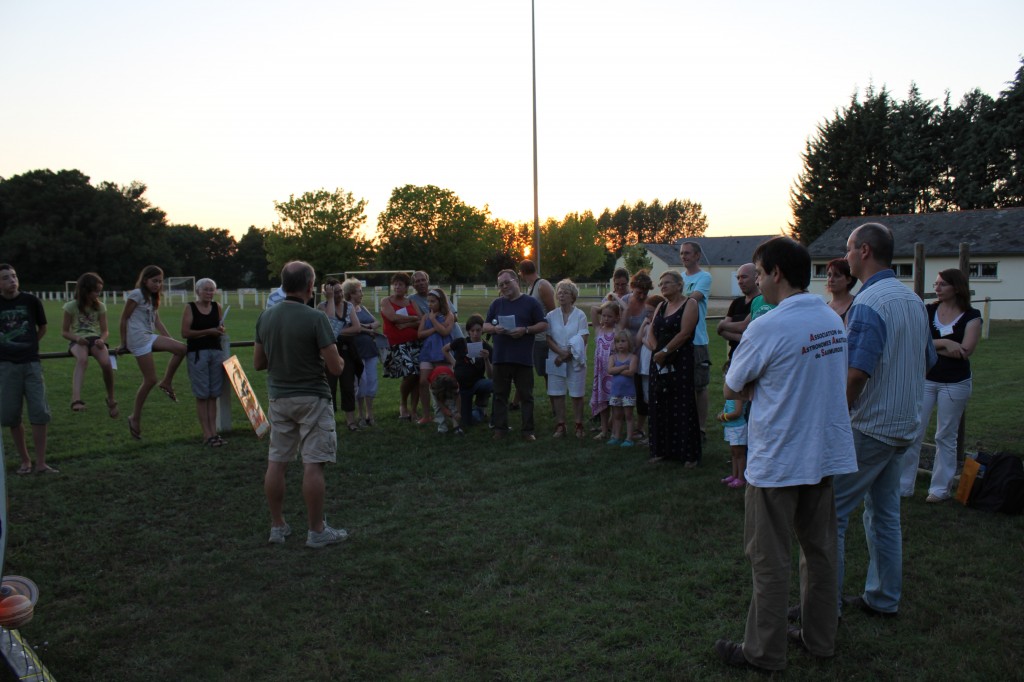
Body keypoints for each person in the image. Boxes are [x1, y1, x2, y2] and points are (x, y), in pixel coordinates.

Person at [714, 236, 857, 673]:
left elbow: (731, 385)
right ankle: (820, 639)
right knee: (820, 553)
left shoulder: (769, 325)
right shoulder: (831, 318)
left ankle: (763, 652)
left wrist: (759, 385)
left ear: (776, 273)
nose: (755, 280)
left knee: (768, 557)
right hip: (824, 452)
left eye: (758, 273)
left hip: (779, 457)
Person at [833, 222, 935, 618]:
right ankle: (883, 597)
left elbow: (857, 372)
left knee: (831, 516)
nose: (845, 256)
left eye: (849, 248)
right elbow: (927, 360)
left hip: (871, 426)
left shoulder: (869, 304)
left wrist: (838, 418)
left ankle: (825, 609)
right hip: (905, 424)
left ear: (864, 251)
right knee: (884, 514)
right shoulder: (912, 301)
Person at [254, 261, 348, 549]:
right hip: (313, 399)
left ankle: (277, 526)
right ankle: (317, 531)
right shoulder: (315, 318)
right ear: (310, 285)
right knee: (313, 464)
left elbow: (259, 363)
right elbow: (336, 368)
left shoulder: (265, 317)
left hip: (279, 398)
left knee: (277, 462)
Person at [899, 269, 981, 502]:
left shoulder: (971, 316)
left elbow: (965, 351)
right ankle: (904, 485)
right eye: (936, 284)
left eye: (942, 284)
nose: (937, 288)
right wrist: (945, 342)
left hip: (955, 383)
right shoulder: (929, 311)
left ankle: (940, 489)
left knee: (945, 435)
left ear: (956, 287)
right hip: (926, 379)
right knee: (915, 431)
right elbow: (917, 341)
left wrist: (933, 345)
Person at [118, 265, 187, 441]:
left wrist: (169, 339)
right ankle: (135, 417)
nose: (157, 284)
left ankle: (167, 382)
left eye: (160, 281)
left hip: (148, 336)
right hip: (138, 338)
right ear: (145, 280)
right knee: (149, 380)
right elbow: (124, 318)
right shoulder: (136, 294)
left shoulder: (153, 297)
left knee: (181, 349)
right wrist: (123, 343)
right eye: (154, 281)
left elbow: (156, 320)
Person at [0, 263, 57, 474]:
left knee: (39, 412)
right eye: (5, 277)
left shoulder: (31, 301)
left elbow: (42, 327)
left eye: (14, 276)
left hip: (32, 364)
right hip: (6, 367)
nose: (11, 280)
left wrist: (30, 345)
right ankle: (25, 461)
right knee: (11, 415)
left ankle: (41, 463)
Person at [482, 269, 548, 441]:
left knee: (526, 396)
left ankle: (528, 431)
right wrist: (495, 329)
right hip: (501, 357)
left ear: (516, 281)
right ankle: (500, 428)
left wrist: (525, 330)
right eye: (501, 285)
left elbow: (543, 324)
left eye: (507, 283)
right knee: (500, 395)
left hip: (523, 358)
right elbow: (485, 326)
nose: (504, 287)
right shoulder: (497, 304)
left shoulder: (531, 302)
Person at [644, 271, 701, 465]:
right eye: (661, 284)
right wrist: (655, 350)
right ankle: (662, 450)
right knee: (659, 403)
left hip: (680, 361)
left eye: (667, 283)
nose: (663, 286)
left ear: (679, 285)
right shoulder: (661, 305)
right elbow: (651, 331)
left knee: (682, 404)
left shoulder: (690, 304)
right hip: (659, 362)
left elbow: (685, 333)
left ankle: (688, 455)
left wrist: (665, 351)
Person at [61, 271, 118, 418]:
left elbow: (105, 331)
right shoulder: (70, 306)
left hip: (95, 339)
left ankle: (111, 398)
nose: (98, 294)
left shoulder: (100, 307)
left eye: (100, 291)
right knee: (82, 360)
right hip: (77, 339)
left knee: (106, 363)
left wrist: (102, 340)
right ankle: (76, 399)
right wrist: (76, 338)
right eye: (96, 291)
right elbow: (64, 332)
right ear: (85, 290)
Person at [180, 278, 227, 447]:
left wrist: (220, 330)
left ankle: (214, 432)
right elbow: (185, 333)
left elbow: (221, 328)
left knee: (213, 394)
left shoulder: (217, 307)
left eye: (212, 290)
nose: (209, 293)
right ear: (198, 291)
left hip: (215, 353)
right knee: (202, 395)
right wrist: (209, 331)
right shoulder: (190, 307)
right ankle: (206, 435)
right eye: (206, 289)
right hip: (198, 354)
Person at [544, 280, 589, 439]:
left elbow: (583, 337)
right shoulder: (551, 315)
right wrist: (560, 353)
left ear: (573, 296)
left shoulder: (580, 315)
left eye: (565, 293)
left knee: (577, 394)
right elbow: (548, 338)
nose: (561, 295)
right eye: (559, 292)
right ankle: (561, 425)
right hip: (555, 358)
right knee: (557, 393)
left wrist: (566, 354)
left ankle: (578, 424)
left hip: (575, 359)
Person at [318, 278, 361, 431]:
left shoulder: (348, 306)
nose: (339, 295)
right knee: (329, 386)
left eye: (340, 291)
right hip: (329, 352)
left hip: (346, 351)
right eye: (335, 292)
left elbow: (356, 328)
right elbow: (327, 323)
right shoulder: (322, 307)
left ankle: (351, 421)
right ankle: (329, 421)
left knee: (348, 385)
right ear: (327, 293)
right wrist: (329, 300)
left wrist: (337, 332)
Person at [680, 241, 712, 439]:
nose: (684, 256)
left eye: (688, 253)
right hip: (679, 339)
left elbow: (694, 298)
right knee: (682, 386)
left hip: (697, 339)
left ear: (698, 255)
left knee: (699, 386)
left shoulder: (704, 277)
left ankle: (700, 428)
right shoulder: (679, 277)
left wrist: (674, 297)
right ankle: (685, 425)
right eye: (682, 253)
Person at [379, 272, 422, 420]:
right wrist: (412, 319)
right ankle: (403, 403)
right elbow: (392, 317)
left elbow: (420, 321)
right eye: (395, 284)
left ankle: (414, 410)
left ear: (406, 287)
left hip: (415, 343)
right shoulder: (386, 301)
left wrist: (407, 323)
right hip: (397, 345)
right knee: (410, 373)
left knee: (418, 375)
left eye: (401, 284)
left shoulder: (411, 302)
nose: (397, 287)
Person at [619, 271, 654, 440]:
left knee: (641, 391)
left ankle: (640, 427)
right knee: (622, 387)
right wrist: (625, 311)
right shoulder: (624, 301)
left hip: (642, 352)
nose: (641, 296)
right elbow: (621, 327)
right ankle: (618, 423)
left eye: (645, 293)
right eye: (638, 292)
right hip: (624, 351)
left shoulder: (649, 305)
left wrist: (636, 348)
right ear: (632, 288)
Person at [343, 278, 381, 428]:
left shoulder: (363, 308)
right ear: (351, 293)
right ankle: (359, 414)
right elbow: (353, 328)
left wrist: (367, 326)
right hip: (356, 352)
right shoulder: (346, 309)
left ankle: (369, 414)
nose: (361, 294)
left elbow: (377, 322)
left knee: (372, 382)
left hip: (370, 351)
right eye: (359, 291)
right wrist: (367, 329)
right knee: (360, 383)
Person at [444, 314, 493, 429]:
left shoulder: (486, 347)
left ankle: (488, 413)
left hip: (477, 383)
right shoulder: (461, 342)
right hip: (462, 387)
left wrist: (486, 359)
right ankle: (476, 409)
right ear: (468, 331)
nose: (475, 333)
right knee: (467, 422)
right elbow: (445, 349)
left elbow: (491, 375)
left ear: (482, 330)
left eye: (478, 330)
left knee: (494, 385)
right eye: (472, 330)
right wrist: (454, 362)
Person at [416, 289, 455, 425]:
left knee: (442, 383)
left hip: (441, 353)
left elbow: (445, 332)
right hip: (427, 352)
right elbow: (420, 334)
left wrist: (434, 321)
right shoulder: (426, 316)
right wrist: (433, 326)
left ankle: (447, 412)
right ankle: (426, 415)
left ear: (440, 301)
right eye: (428, 301)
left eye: (433, 301)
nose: (430, 304)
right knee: (423, 382)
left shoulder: (448, 315)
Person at [518, 260, 556, 399]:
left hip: (545, 338)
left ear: (522, 273)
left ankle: (555, 406)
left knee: (548, 374)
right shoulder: (531, 287)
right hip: (535, 337)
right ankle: (518, 401)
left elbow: (553, 311)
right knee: (536, 370)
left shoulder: (542, 285)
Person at [634, 293, 664, 443]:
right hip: (643, 367)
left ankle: (656, 433)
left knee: (653, 400)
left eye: (651, 312)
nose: (648, 314)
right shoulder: (647, 325)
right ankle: (650, 431)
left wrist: (646, 338)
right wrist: (643, 324)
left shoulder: (658, 326)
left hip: (653, 367)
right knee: (647, 399)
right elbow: (638, 340)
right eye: (647, 312)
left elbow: (653, 346)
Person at [589, 302, 619, 440]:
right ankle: (604, 430)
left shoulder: (617, 331)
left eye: (610, 316)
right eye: (604, 316)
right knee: (602, 402)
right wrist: (605, 307)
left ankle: (614, 429)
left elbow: (624, 314)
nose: (606, 318)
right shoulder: (598, 329)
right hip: (601, 373)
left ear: (616, 318)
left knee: (614, 401)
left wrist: (616, 302)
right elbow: (593, 310)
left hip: (612, 372)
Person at [716, 263, 758, 362]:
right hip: (734, 359)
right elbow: (720, 331)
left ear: (756, 277)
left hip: (752, 359)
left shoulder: (762, 301)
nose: (740, 282)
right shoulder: (736, 302)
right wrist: (743, 338)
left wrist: (723, 324)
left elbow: (743, 327)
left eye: (744, 277)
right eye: (738, 278)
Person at [717, 361, 747, 489]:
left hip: (738, 428)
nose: (725, 377)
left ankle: (741, 478)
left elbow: (737, 412)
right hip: (731, 427)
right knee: (734, 453)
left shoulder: (737, 392)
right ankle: (734, 475)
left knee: (739, 454)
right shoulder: (731, 391)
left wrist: (723, 417)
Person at [606, 330, 637, 447]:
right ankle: (616, 436)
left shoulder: (633, 357)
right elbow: (609, 370)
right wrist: (623, 367)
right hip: (615, 392)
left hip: (628, 392)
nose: (620, 344)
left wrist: (617, 370)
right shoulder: (613, 357)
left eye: (623, 341)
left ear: (629, 342)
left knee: (628, 415)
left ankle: (629, 438)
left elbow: (631, 372)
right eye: (617, 342)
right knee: (616, 415)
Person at [427, 365, 463, 435]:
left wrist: (458, 412)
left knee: (452, 404)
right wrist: (444, 408)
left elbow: (458, 398)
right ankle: (442, 429)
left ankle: (456, 426)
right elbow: (437, 400)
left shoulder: (454, 384)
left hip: (448, 386)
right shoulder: (434, 386)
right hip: (436, 388)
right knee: (437, 408)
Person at [826, 257, 856, 323]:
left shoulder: (856, 305)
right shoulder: (824, 307)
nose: (831, 279)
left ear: (848, 280)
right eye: (829, 275)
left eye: (837, 275)